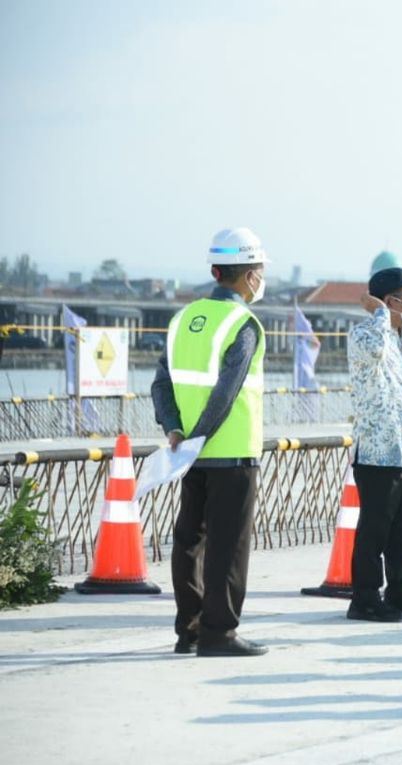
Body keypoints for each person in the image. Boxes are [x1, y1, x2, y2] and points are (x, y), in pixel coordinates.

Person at [152, 227, 270, 657]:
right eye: (259, 270)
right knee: (229, 546)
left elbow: (162, 382)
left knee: (189, 541)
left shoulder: (182, 319)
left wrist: (175, 430)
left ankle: (190, 631)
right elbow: (228, 390)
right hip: (232, 453)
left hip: (188, 454)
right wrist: (201, 435)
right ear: (251, 275)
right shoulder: (244, 324)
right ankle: (219, 634)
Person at [345, 266, 402, 622]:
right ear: (389, 301)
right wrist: (380, 314)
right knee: (375, 529)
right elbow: (373, 353)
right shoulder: (365, 334)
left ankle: (400, 588)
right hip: (378, 452)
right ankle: (365, 597)